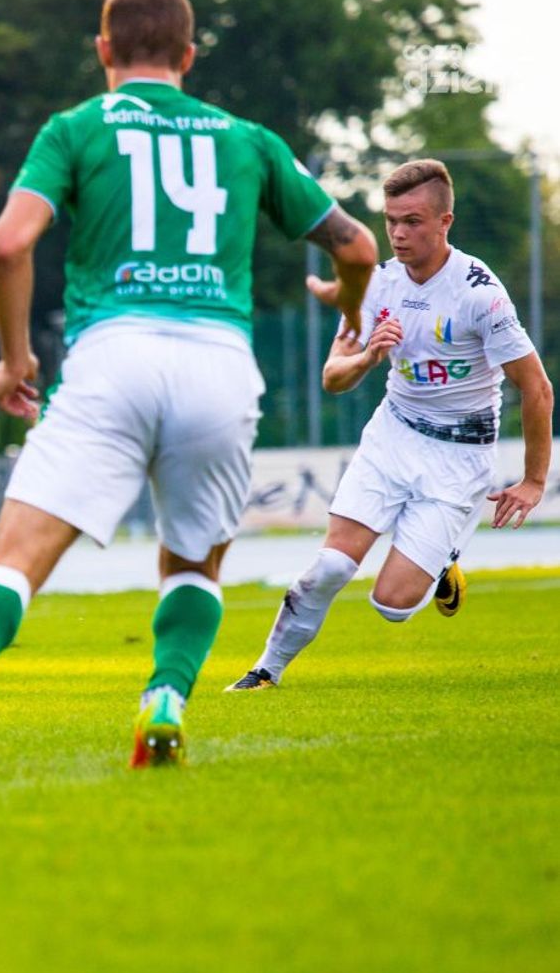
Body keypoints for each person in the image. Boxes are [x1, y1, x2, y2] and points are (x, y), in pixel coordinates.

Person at [0, 0, 378, 777]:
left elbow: (7, 245)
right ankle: (166, 698)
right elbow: (358, 245)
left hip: (113, 357)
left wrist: (13, 359)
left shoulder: (76, 129)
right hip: (218, 365)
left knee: (16, 558)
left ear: (103, 49)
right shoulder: (248, 139)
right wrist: (350, 303)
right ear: (189, 56)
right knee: (194, 565)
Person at [228, 160, 553, 691]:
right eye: (391, 221)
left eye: (413, 221)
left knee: (392, 604)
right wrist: (366, 358)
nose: (399, 233)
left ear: (445, 221)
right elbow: (333, 378)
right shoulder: (376, 284)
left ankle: (443, 561)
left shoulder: (480, 294)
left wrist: (534, 480)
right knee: (330, 568)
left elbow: (536, 387)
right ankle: (265, 670)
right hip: (393, 435)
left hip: (459, 455)